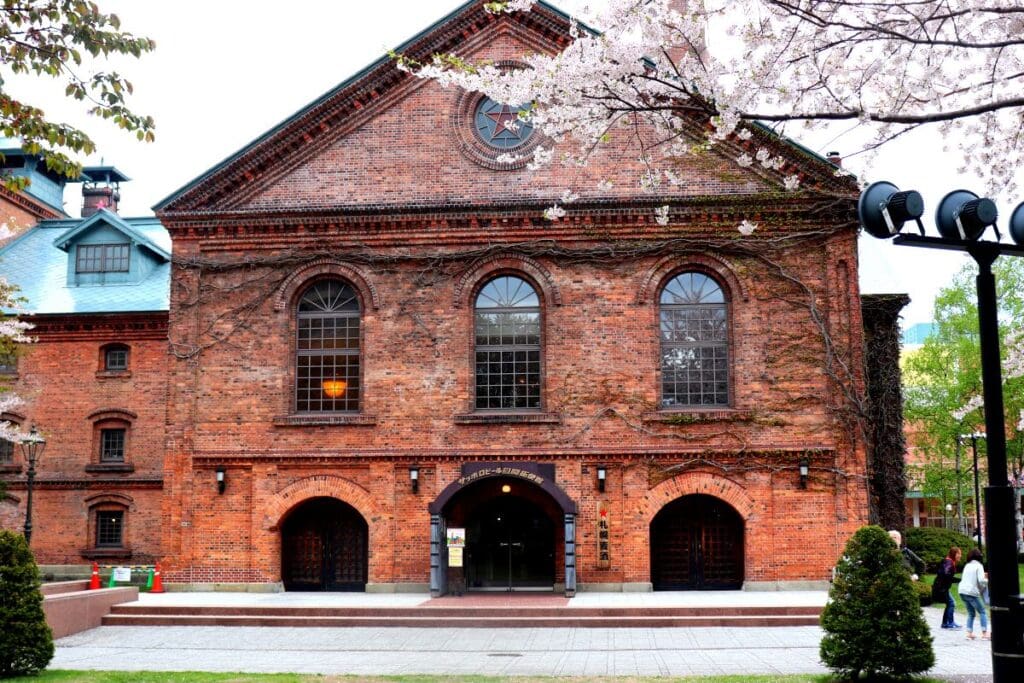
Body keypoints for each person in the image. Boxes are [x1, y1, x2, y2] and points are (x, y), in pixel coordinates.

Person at [958, 547, 989, 640]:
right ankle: (984, 633)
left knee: (971, 613)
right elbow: (981, 581)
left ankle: (969, 633)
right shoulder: (979, 566)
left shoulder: (967, 565)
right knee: (982, 611)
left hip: (962, 591)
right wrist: (988, 579)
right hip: (971, 592)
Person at [932, 546, 962, 629]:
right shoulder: (949, 562)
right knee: (951, 603)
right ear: (954, 554)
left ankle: (946, 623)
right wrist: (959, 580)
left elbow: (946, 575)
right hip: (941, 587)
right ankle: (949, 623)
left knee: (950, 603)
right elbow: (946, 574)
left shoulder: (949, 561)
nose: (960, 556)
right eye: (959, 553)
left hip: (942, 587)